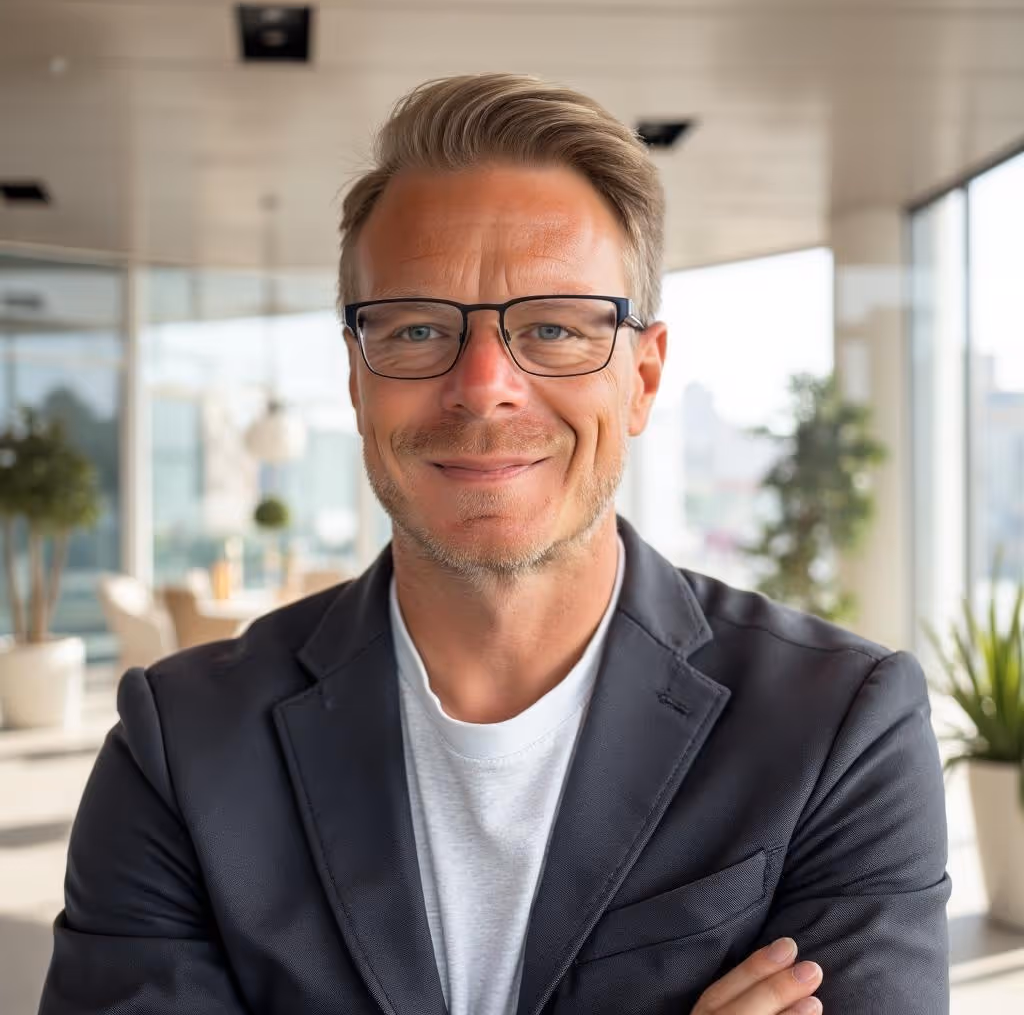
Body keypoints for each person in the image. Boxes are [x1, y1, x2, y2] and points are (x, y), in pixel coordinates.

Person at [39, 74, 950, 1015]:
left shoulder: (840, 726)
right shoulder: (178, 747)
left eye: (554, 328)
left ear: (642, 379)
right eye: (417, 328)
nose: (483, 386)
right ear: (356, 379)